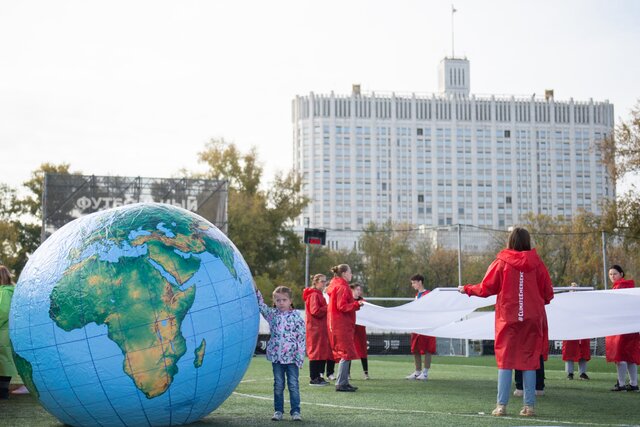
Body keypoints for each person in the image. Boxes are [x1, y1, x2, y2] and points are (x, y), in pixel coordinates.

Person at [458, 227, 554, 417]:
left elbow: (486, 288)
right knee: (529, 361)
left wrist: (466, 289)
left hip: (507, 318)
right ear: (528, 242)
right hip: (532, 318)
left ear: (510, 241)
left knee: (505, 362)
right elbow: (548, 294)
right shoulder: (537, 264)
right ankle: (529, 407)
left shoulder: (502, 262)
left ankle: (501, 406)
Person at [256, 286, 305, 421]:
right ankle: (278, 411)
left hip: (292, 359)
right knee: (278, 385)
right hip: (277, 359)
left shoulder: (296, 317)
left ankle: (296, 411)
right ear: (274, 301)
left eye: (284, 300)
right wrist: (256, 291)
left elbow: (301, 338)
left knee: (293, 385)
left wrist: (300, 357)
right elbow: (261, 305)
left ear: (290, 301)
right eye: (278, 300)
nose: (281, 303)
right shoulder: (272, 315)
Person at [326, 264, 363, 392]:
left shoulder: (336, 285)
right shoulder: (342, 287)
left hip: (338, 323)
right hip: (342, 324)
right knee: (346, 353)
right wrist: (356, 304)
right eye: (350, 272)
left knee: (345, 353)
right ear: (344, 274)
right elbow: (342, 306)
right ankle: (341, 383)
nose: (351, 274)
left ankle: (343, 382)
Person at [605, 265, 640, 392]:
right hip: (631, 327)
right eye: (610, 274)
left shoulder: (618, 288)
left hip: (620, 326)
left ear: (621, 274)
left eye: (614, 274)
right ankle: (634, 384)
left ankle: (621, 384)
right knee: (630, 356)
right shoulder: (630, 287)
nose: (612, 276)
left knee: (620, 356)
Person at [405, 274, 436, 381]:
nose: (412, 285)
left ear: (420, 282)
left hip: (427, 325)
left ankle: (425, 373)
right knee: (415, 348)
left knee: (428, 349)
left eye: (414, 282)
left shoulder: (429, 294)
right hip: (416, 325)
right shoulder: (417, 295)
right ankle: (417, 371)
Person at [302, 274, 331, 386]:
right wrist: (327, 307)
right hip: (315, 328)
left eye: (325, 281)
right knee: (315, 353)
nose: (324, 284)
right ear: (316, 282)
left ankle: (318, 376)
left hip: (319, 328)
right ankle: (314, 378)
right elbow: (315, 311)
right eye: (322, 282)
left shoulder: (317, 294)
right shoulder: (314, 295)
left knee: (320, 352)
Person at [562, 283, 591, 381]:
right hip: (570, 330)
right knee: (569, 352)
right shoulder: (566, 302)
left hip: (582, 329)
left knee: (583, 352)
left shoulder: (584, 302)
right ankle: (570, 373)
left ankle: (582, 373)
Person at [0, 265, 17, 399]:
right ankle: (3, 391)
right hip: (7, 331)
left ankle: (3, 392)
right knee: (5, 361)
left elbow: (3, 312)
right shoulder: (12, 291)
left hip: (2, 332)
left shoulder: (4, 292)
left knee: (3, 361)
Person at [350, 283, 369, 380]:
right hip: (350, 327)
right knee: (348, 350)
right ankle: (347, 373)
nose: (359, 291)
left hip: (360, 328)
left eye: (359, 289)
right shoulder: (349, 301)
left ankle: (366, 373)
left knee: (362, 349)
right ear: (352, 290)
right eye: (357, 289)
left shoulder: (363, 302)